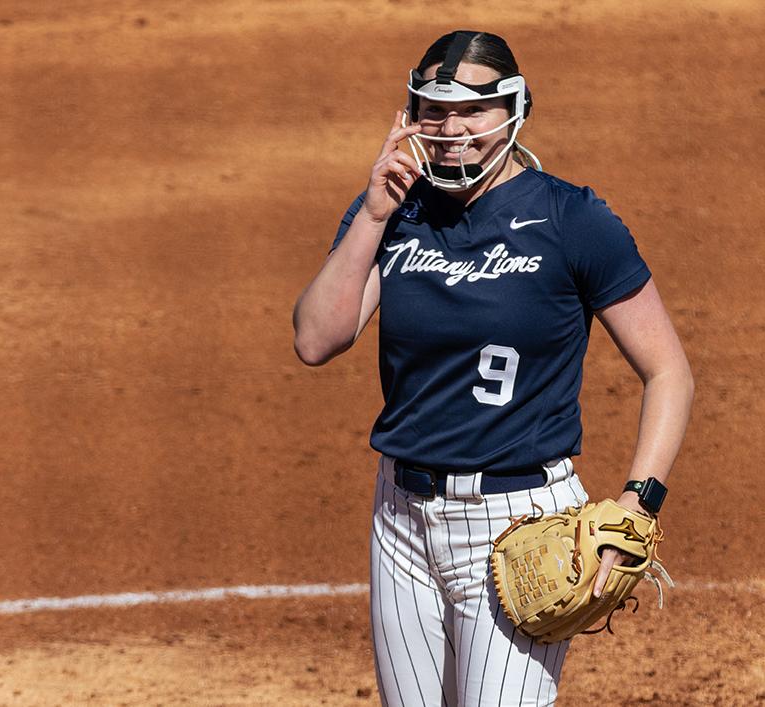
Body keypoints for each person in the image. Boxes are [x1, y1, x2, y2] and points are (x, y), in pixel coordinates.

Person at [292, 30, 694, 707]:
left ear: (513, 109)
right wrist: (370, 214)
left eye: (473, 111)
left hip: (519, 522)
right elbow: (315, 338)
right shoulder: (397, 210)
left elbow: (668, 373)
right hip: (400, 519)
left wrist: (637, 502)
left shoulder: (573, 219)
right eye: (433, 111)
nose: (452, 131)